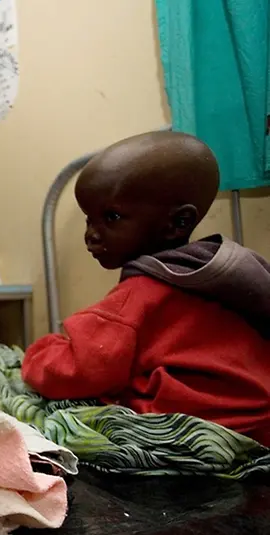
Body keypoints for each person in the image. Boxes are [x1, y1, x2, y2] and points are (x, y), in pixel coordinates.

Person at [22, 132, 270, 446]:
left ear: (177, 223)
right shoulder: (226, 277)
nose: (91, 235)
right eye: (88, 219)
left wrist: (37, 353)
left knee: (58, 416)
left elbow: (77, 369)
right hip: (259, 424)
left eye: (111, 217)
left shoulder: (141, 293)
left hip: (194, 432)